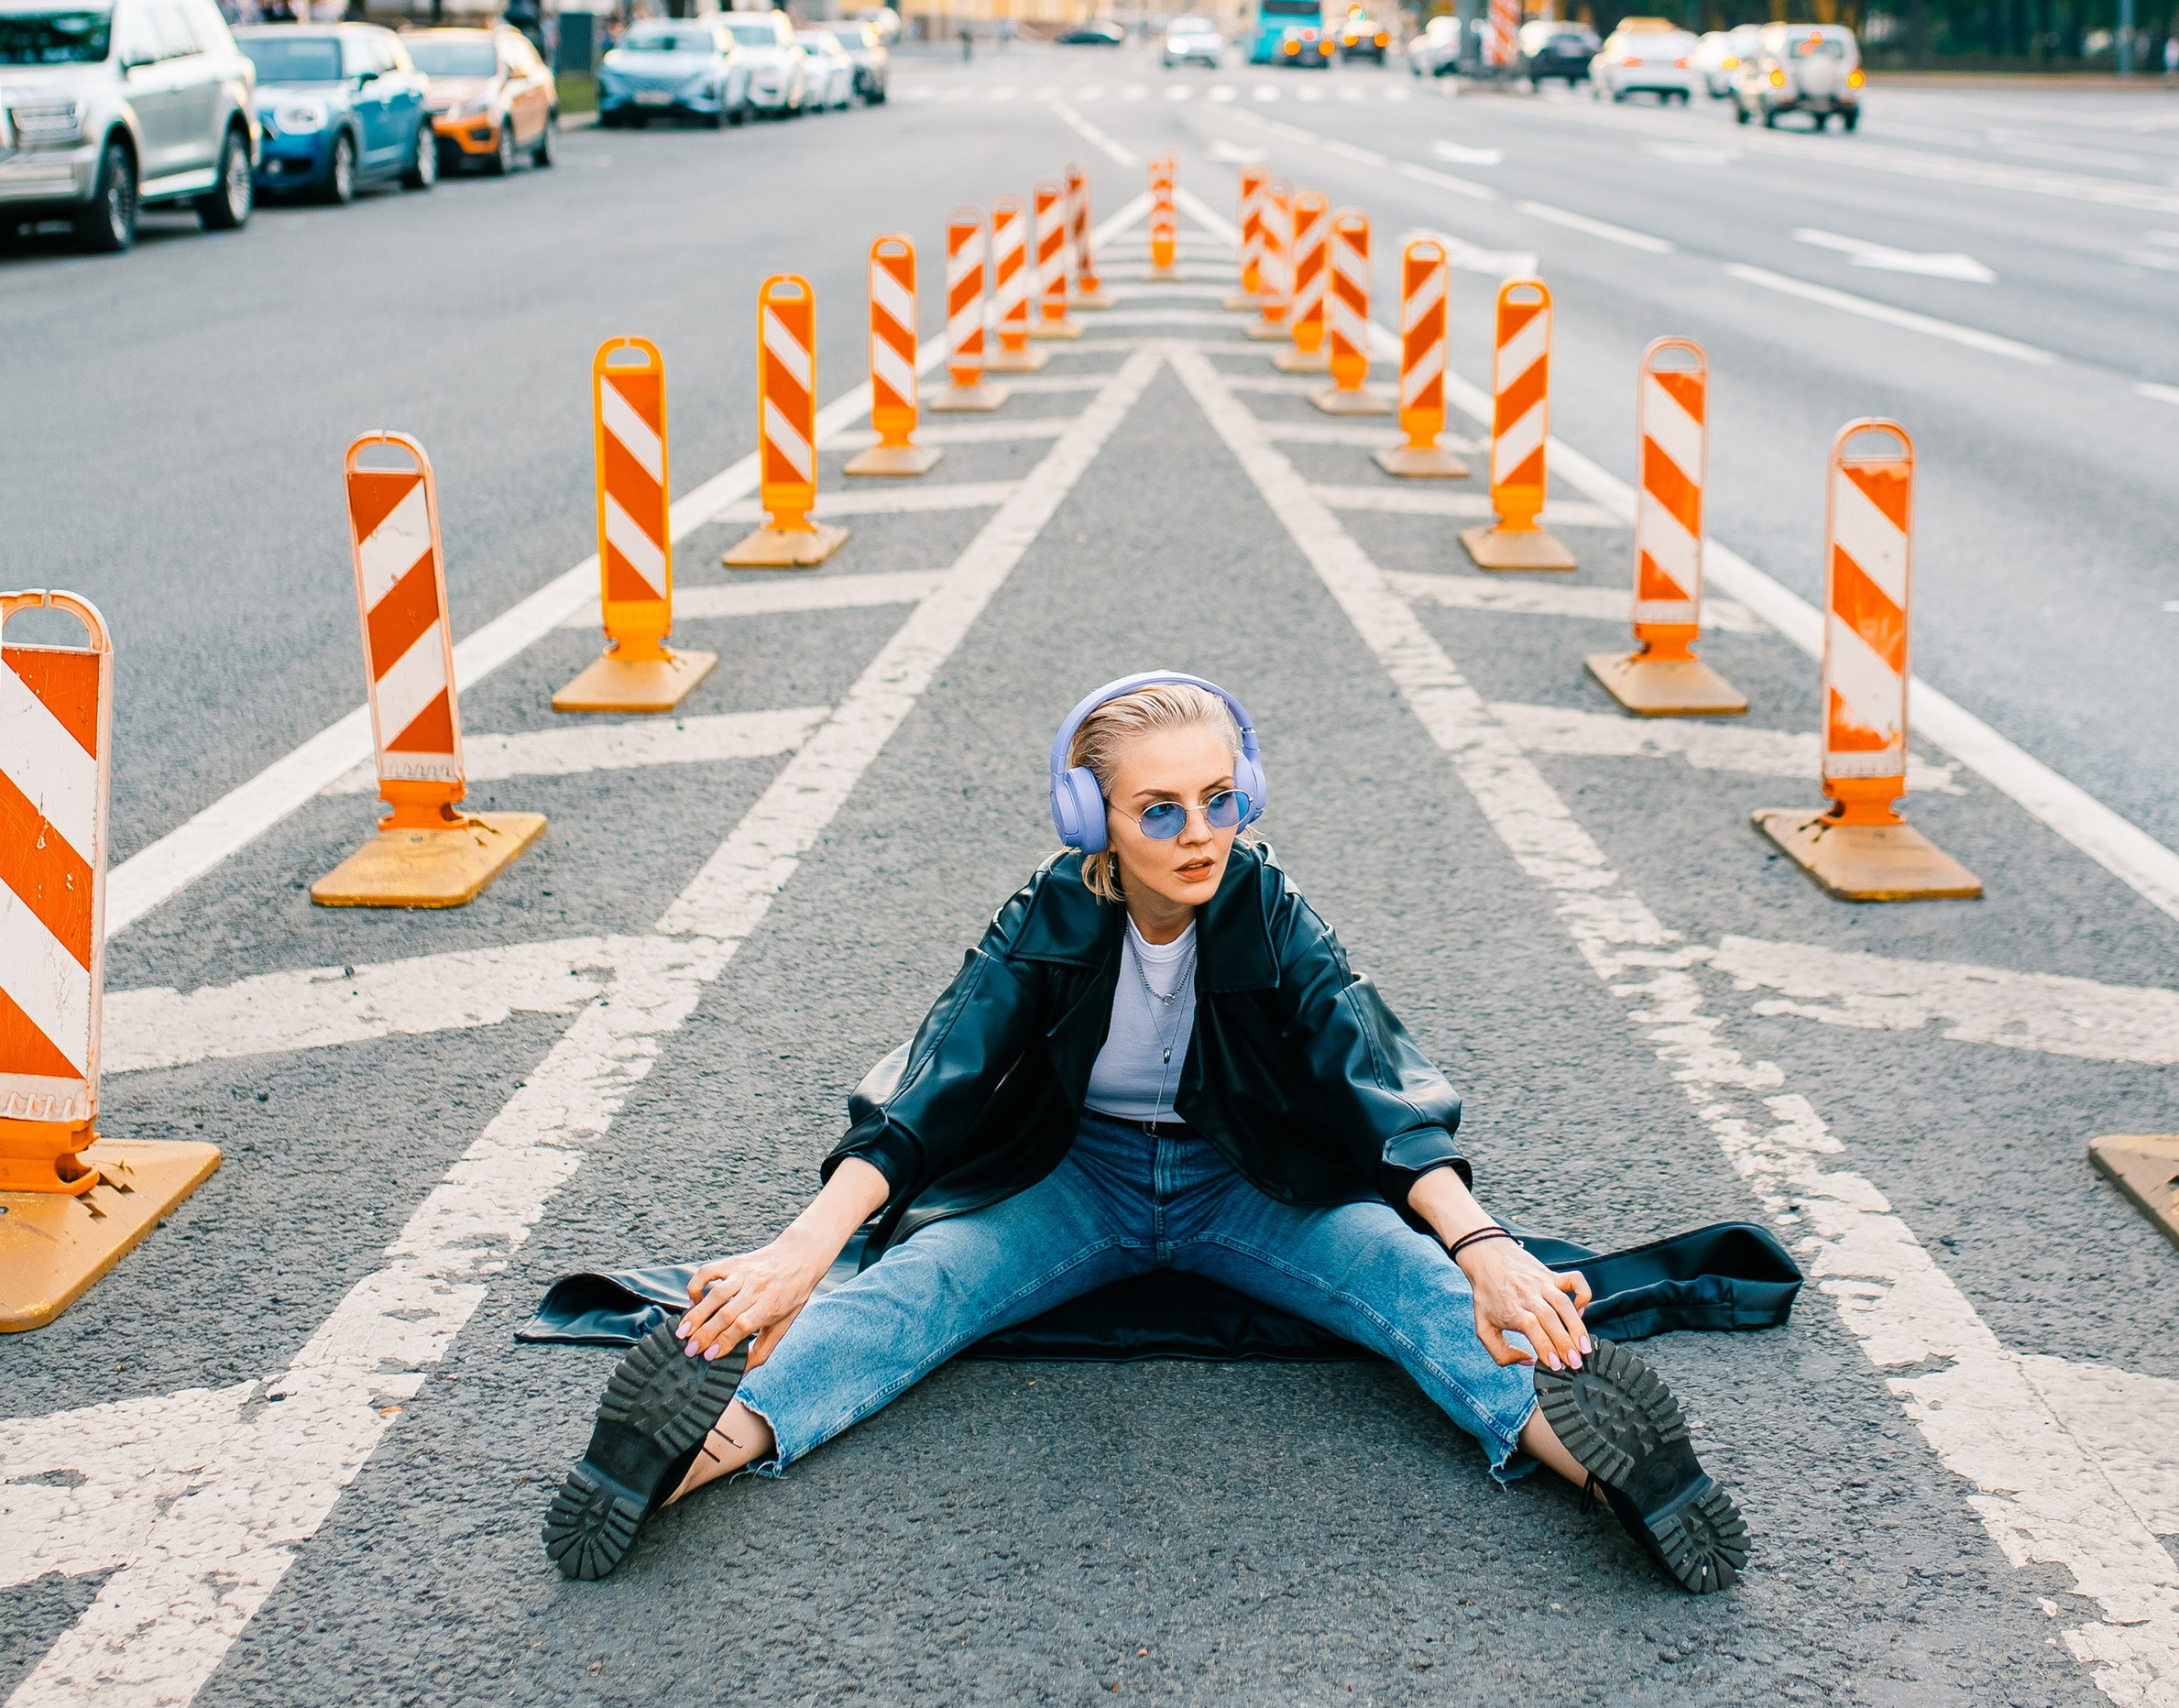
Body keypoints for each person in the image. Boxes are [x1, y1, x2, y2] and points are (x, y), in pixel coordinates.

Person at [543, 675, 1751, 1594]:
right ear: (1093, 817)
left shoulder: (1268, 912)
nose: (1198, 832)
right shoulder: (1051, 915)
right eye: (1159, 807)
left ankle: (1617, 1470)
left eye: (1219, 800)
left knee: (1419, 1287)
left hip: (1249, 1183)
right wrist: (799, 1252)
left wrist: (1485, 1245)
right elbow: (935, 1088)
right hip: (1075, 1183)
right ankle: (680, 1454)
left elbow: (1371, 1079)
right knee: (916, 1290)